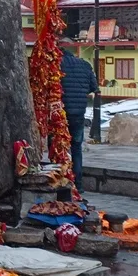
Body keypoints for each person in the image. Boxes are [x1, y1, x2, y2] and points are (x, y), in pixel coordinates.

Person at [60, 47, 98, 187]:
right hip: (78, 112)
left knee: (58, 147)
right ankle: (78, 184)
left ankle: (59, 182)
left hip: (60, 113)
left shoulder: (57, 64)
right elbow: (93, 87)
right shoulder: (85, 65)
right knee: (76, 147)